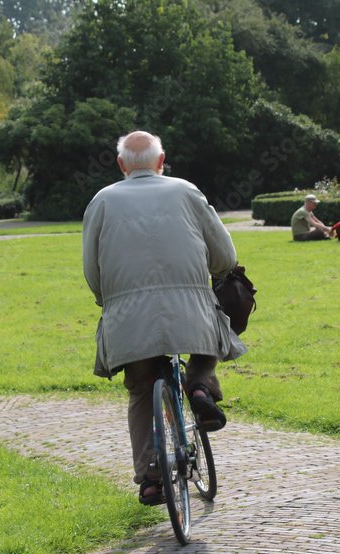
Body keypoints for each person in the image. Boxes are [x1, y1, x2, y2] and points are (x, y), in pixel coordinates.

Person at [82, 130, 247, 506]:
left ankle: (151, 479)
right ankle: (201, 386)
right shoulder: (188, 191)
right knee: (209, 337)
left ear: (121, 165)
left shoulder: (102, 201)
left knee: (142, 391)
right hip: (190, 311)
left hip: (128, 320)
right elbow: (224, 256)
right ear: (161, 161)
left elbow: (93, 272)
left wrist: (105, 300)